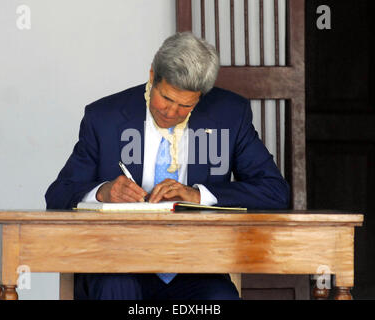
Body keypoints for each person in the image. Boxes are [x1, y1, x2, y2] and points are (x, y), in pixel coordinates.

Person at [45, 32, 290, 300]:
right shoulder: (104, 117)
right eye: (166, 99)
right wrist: (103, 192)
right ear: (152, 76)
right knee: (117, 289)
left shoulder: (229, 115)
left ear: (201, 97)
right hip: (115, 263)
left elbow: (274, 192)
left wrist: (198, 196)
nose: (171, 112)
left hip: (195, 266)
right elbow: (58, 194)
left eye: (185, 105)